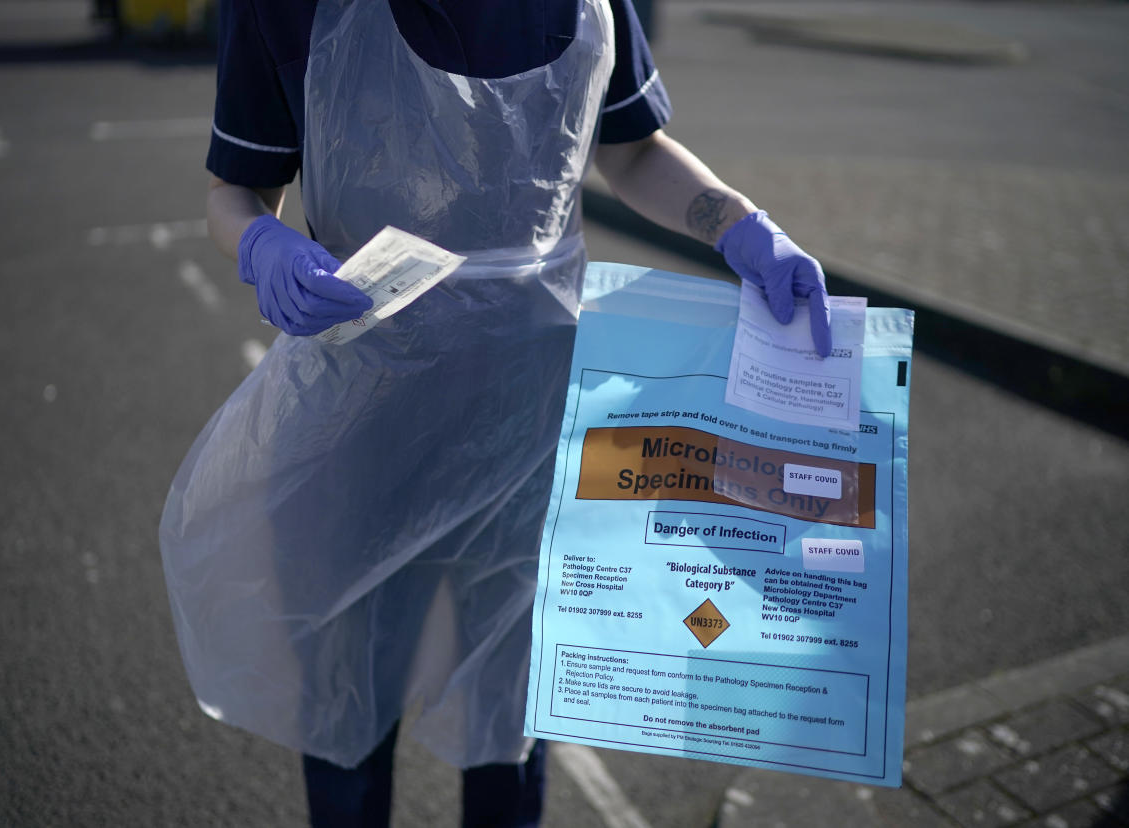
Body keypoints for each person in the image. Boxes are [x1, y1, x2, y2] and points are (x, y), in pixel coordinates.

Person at [159, 1, 831, 826]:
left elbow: (632, 148)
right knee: (347, 718)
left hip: (530, 426)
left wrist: (740, 227)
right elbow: (237, 187)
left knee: (511, 715)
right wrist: (261, 243)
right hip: (361, 431)